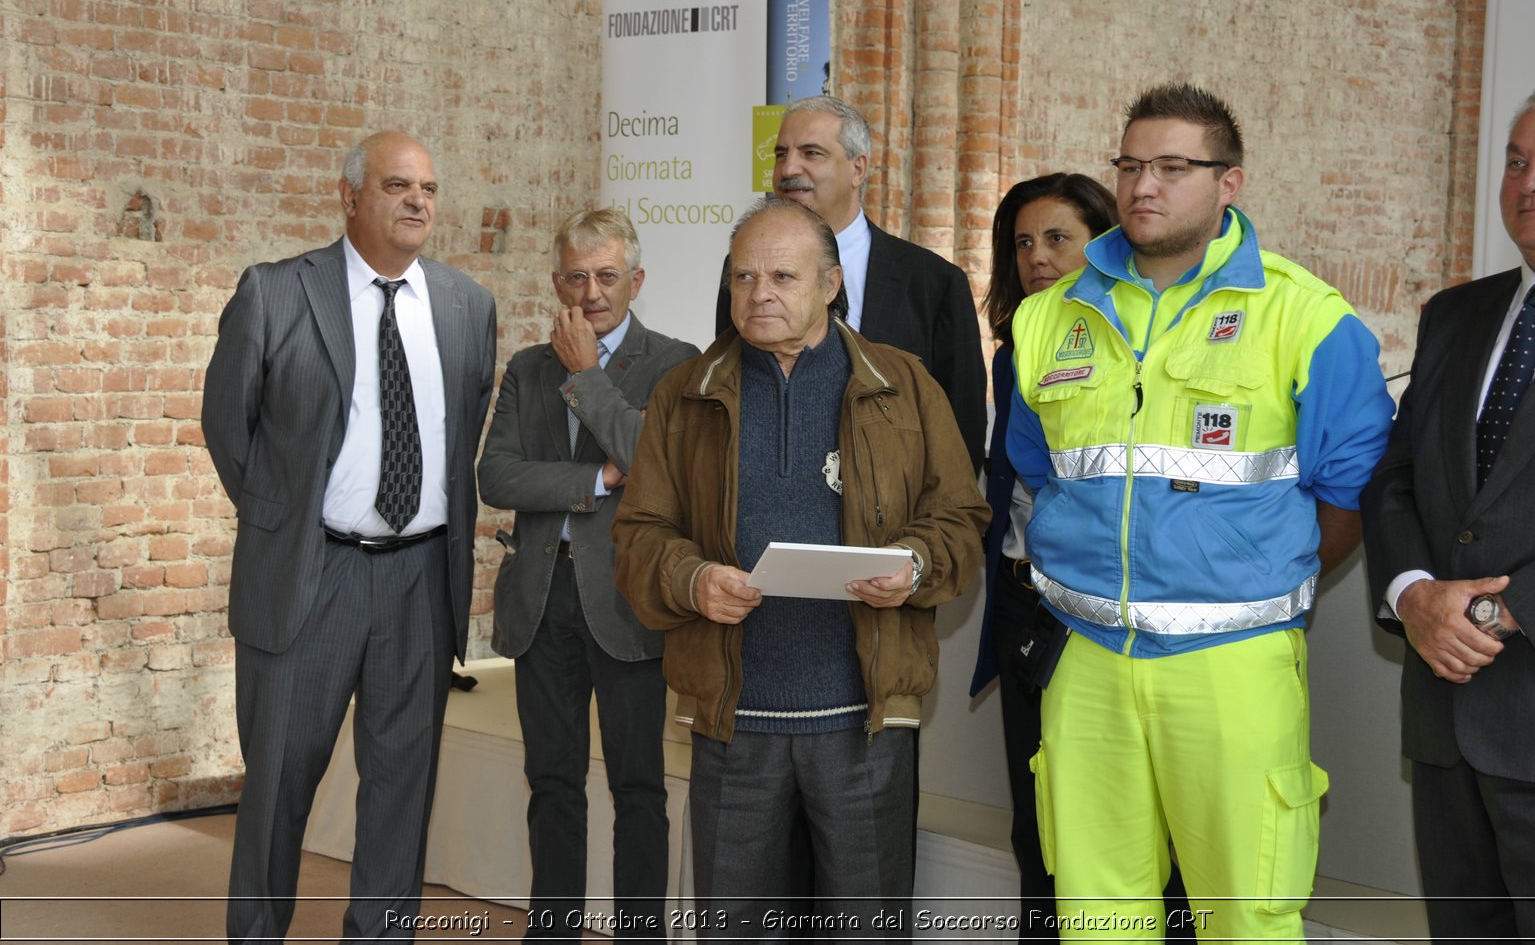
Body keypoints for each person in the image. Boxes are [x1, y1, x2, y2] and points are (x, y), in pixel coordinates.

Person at [1007, 84, 1393, 940]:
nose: (1146, 185)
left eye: (1174, 166)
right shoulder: (1045, 319)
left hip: (1232, 666)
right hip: (1088, 666)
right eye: (1133, 164)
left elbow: (1351, 497)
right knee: (1096, 922)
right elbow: (1042, 474)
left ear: (1230, 182)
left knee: (1245, 922)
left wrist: (1246, 579)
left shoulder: (1305, 317)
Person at [613, 198, 988, 936]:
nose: (760, 294)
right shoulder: (684, 394)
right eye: (744, 276)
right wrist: (691, 578)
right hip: (733, 719)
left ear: (831, 283)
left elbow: (961, 519)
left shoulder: (904, 385)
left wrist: (913, 565)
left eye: (783, 275)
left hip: (864, 721)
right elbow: (638, 537)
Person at [202, 131, 498, 942]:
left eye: (429, 188)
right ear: (350, 196)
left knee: (402, 793)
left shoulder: (469, 306)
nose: (418, 202)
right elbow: (230, 430)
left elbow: (459, 428)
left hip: (420, 582)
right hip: (312, 575)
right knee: (277, 791)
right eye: (399, 185)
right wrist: (288, 520)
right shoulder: (275, 293)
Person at [1360, 76, 1535, 942]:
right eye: (1515, 161)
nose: (1530, 180)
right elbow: (1397, 477)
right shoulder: (1453, 315)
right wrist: (1416, 594)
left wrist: (1491, 614)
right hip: (1445, 718)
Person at [478, 208, 698, 941]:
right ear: (556, 282)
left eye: (607, 275)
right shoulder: (527, 368)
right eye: (577, 275)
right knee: (552, 783)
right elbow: (497, 474)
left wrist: (587, 374)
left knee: (638, 786)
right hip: (543, 598)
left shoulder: (674, 362)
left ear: (636, 280)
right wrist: (595, 479)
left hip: (628, 600)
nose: (592, 290)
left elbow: (654, 459)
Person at [972, 172, 1116, 937]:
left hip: (1102, 610)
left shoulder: (1133, 348)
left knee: (1110, 829)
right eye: (1022, 242)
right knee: (1035, 828)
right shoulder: (1013, 350)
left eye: (1058, 238)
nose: (1036, 256)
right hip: (1025, 602)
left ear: (1106, 242)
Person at [714, 95, 987, 471]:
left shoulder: (933, 283)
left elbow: (962, 433)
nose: (788, 168)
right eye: (780, 154)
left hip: (893, 518)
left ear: (858, 169)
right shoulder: (742, 269)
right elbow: (726, 386)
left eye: (811, 153)